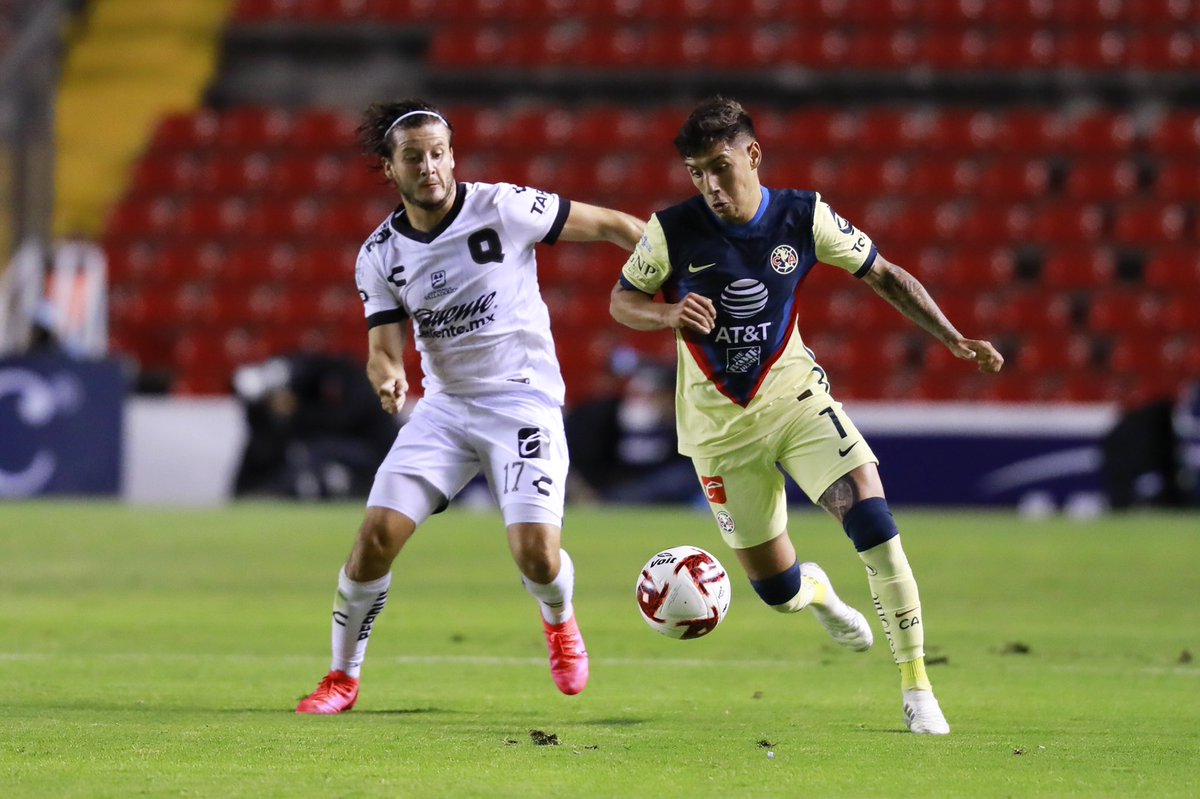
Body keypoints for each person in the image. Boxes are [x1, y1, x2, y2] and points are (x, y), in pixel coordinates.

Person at [609, 96, 1004, 735]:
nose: (709, 184)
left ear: (752, 155)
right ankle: (817, 593)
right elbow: (622, 298)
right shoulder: (671, 231)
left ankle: (916, 683)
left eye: (718, 165)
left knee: (875, 525)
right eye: (695, 172)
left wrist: (952, 337)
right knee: (778, 592)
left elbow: (886, 275)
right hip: (720, 435)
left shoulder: (803, 215)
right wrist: (663, 313)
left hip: (798, 404)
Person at [296, 99, 645, 714]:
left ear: (452, 156)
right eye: (414, 158)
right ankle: (341, 678)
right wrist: (388, 378)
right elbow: (382, 348)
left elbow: (617, 224)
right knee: (374, 537)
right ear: (389, 168)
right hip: (446, 408)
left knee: (536, 555)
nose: (430, 167)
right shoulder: (380, 255)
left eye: (438, 154)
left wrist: (666, 278)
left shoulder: (503, 207)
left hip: (523, 402)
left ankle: (559, 618)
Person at [564, 361, 700, 505]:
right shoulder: (601, 415)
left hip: (655, 481)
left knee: (682, 477)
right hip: (622, 483)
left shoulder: (681, 420)